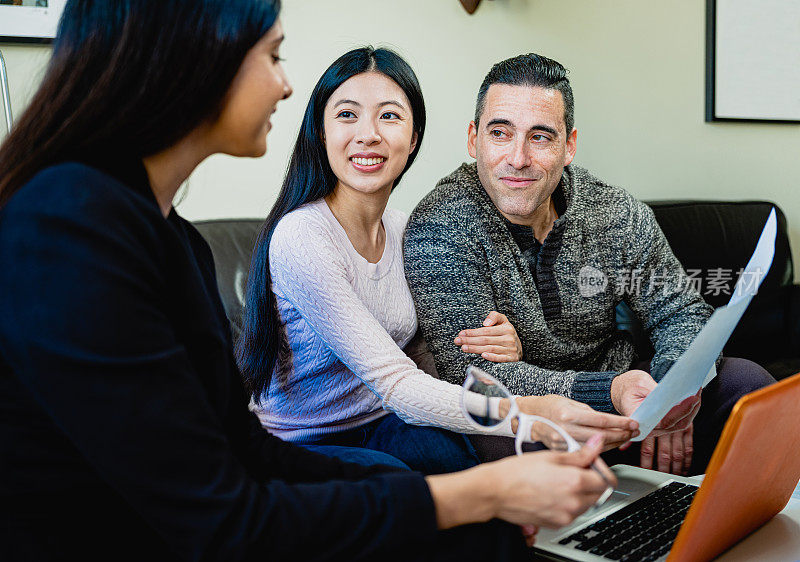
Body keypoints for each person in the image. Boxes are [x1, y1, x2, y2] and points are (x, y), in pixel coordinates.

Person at [0, 3, 617, 560]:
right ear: (196, 56)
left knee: (447, 489)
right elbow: (225, 518)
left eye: (389, 117)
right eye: (271, 54)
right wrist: (493, 469)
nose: (285, 83)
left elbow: (244, 445)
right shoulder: (70, 225)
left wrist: (523, 416)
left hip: (354, 433)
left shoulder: (170, 236)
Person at [236, 46, 639, 475]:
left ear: (413, 138)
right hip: (302, 438)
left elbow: (426, 354)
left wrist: (506, 341)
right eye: (347, 115)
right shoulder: (303, 236)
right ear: (321, 131)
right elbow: (396, 382)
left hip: (384, 422)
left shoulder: (406, 229)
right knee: (397, 482)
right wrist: (530, 414)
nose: (368, 134)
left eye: (389, 116)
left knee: (461, 463)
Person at [403, 52, 775, 475]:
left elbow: (682, 311)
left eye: (540, 137)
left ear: (569, 146)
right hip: (539, 416)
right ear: (474, 139)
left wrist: (674, 394)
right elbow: (472, 377)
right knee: (502, 437)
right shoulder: (441, 225)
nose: (518, 157)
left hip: (630, 401)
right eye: (500, 133)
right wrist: (608, 393)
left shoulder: (614, 212)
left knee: (748, 386)